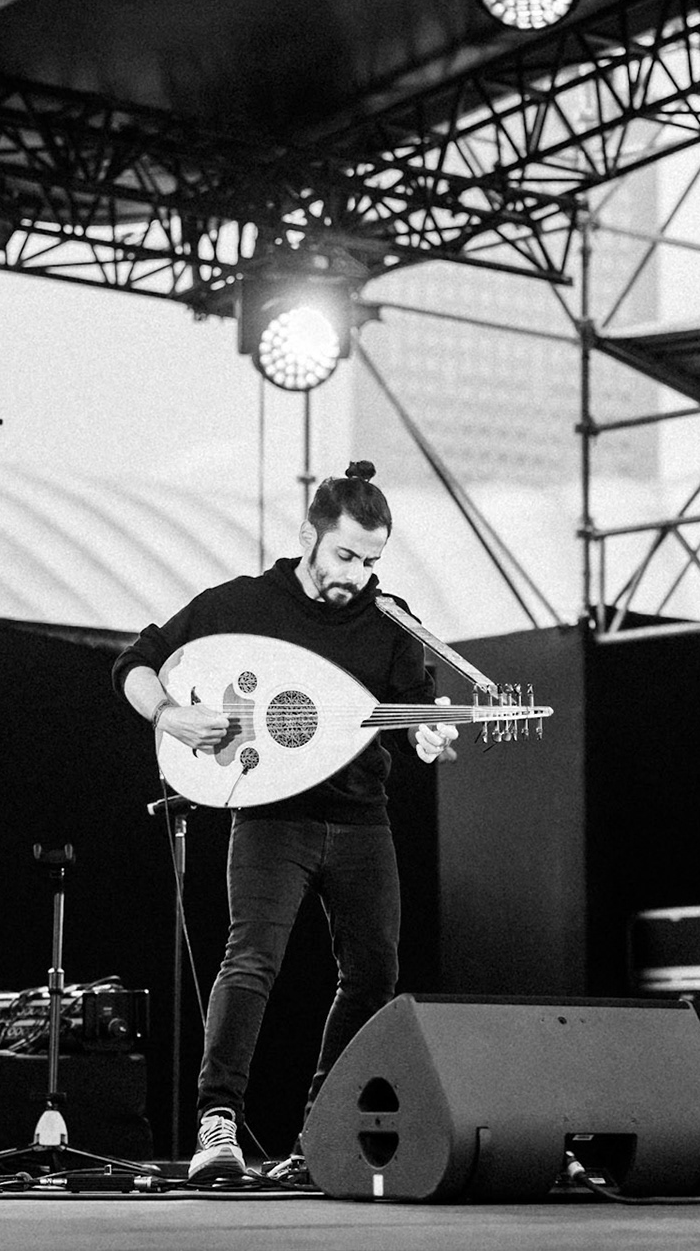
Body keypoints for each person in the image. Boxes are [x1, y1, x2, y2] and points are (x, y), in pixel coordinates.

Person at [112, 462, 459, 1184]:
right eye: (345, 555)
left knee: (374, 975)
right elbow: (136, 664)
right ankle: (218, 1123)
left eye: (371, 562)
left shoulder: (391, 620)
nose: (357, 576)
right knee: (252, 960)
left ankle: (319, 1132)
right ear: (309, 536)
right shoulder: (244, 603)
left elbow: (415, 712)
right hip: (272, 816)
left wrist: (428, 734)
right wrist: (171, 715)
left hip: (361, 818)